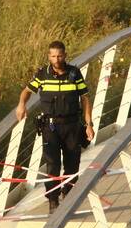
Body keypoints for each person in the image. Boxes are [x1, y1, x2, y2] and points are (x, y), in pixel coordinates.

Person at [15, 41, 94, 212]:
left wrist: (89, 124)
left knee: (72, 163)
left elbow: (85, 98)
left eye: (59, 56)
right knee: (52, 164)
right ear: (48, 56)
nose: (56, 59)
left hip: (72, 125)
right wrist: (22, 104)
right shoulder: (43, 75)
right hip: (50, 128)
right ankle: (53, 200)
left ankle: (68, 193)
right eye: (52, 56)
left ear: (65, 55)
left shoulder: (74, 73)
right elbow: (27, 91)